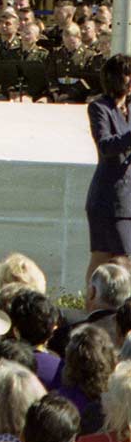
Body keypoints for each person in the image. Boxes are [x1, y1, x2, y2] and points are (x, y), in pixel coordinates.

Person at [86, 55, 131, 282]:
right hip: (109, 198)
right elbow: (105, 145)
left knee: (106, 258)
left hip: (127, 197)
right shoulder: (99, 107)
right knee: (117, 260)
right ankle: (95, 309)